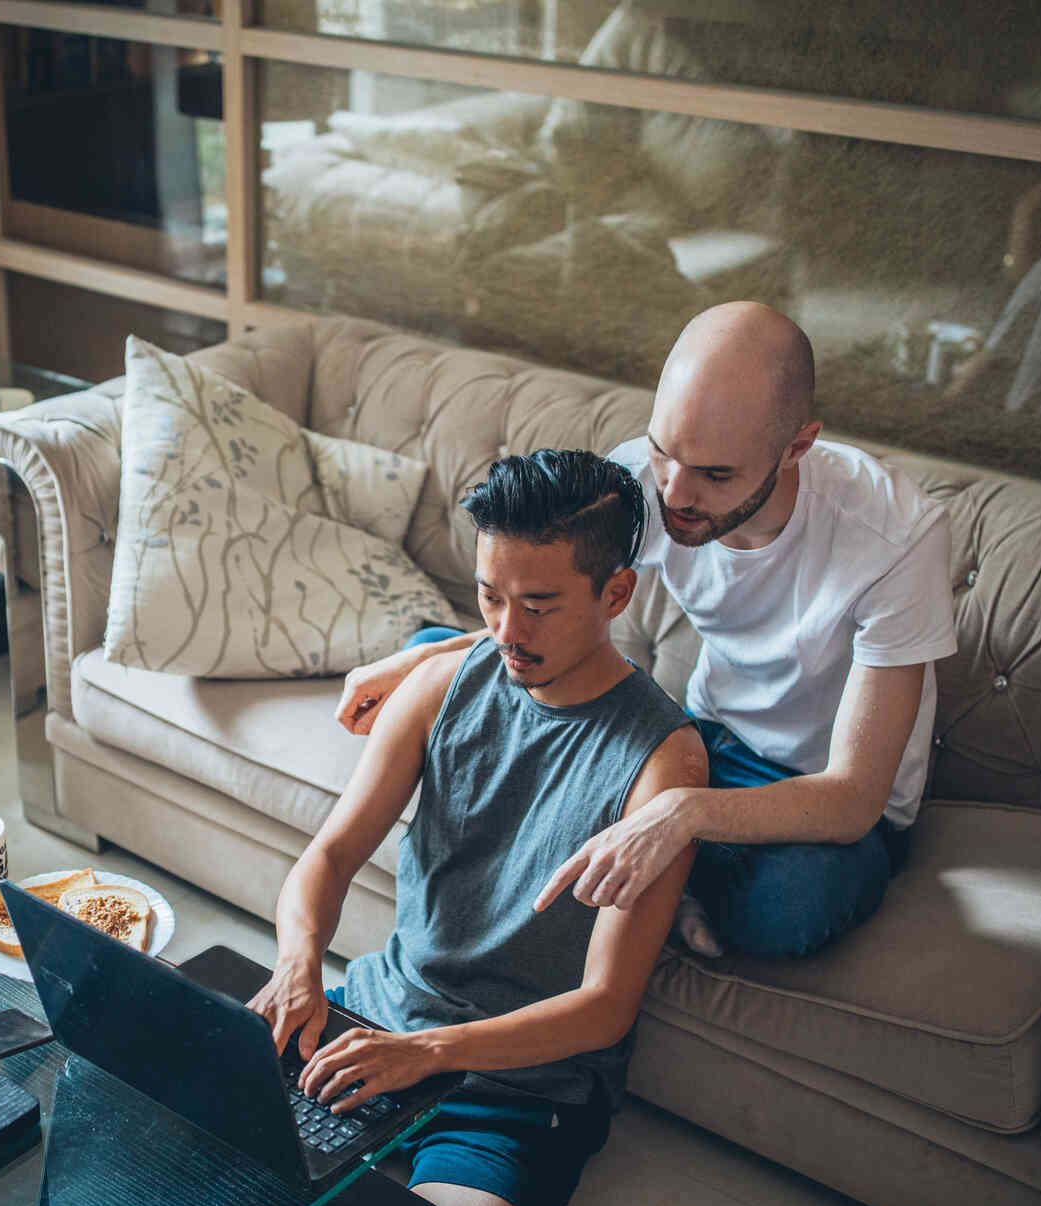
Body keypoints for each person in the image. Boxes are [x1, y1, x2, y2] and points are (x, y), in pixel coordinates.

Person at [249, 449, 705, 1206]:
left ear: (615, 590)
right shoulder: (442, 681)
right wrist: (298, 966)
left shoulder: (662, 764)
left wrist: (428, 1054)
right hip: (369, 1020)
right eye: (489, 596)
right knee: (150, 1142)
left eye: (538, 604)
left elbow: (603, 1008)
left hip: (515, 1082)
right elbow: (326, 860)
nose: (506, 629)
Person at [337, 302, 957, 959]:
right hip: (697, 738)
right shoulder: (642, 479)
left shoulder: (895, 537)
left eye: (716, 475)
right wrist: (432, 664)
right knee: (430, 661)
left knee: (794, 907)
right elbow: (555, 606)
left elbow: (853, 799)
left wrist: (680, 812)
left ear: (797, 445)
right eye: (665, 452)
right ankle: (658, 875)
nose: (675, 494)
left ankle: (646, 862)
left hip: (814, 800)